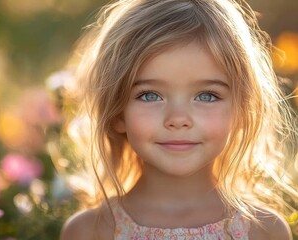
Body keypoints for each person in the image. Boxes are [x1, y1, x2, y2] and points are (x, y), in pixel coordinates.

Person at [59, 0, 298, 239]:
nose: (178, 119)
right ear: (117, 112)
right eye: (150, 95)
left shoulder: (264, 231)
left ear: (243, 111)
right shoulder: (89, 231)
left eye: (207, 96)